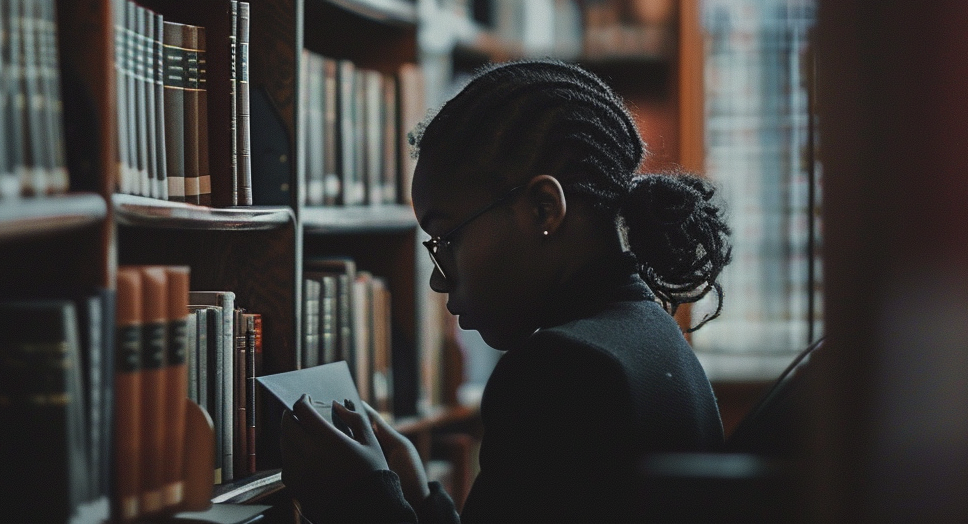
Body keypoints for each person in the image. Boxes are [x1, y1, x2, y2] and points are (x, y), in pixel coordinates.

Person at [282, 60, 733, 523]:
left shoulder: (562, 369)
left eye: (446, 240)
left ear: (543, 210)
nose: (439, 279)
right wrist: (419, 501)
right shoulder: (652, 336)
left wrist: (358, 500)